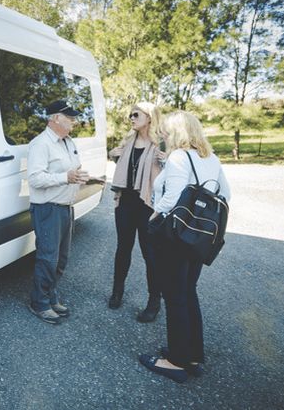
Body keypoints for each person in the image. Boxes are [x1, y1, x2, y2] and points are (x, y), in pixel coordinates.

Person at [139, 110, 230, 383]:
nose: (163, 134)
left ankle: (176, 361)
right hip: (198, 236)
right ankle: (193, 356)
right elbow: (225, 194)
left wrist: (153, 218)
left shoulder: (179, 156)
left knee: (174, 295)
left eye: (166, 130)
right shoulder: (210, 157)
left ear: (177, 132)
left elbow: (173, 196)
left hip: (174, 235)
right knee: (188, 292)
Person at [26, 100, 89, 325]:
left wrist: (80, 177)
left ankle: (51, 296)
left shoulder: (68, 142)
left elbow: (73, 170)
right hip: (48, 209)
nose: (74, 121)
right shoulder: (40, 144)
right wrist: (65, 177)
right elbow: (34, 179)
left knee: (61, 259)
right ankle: (39, 303)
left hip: (65, 207)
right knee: (48, 259)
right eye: (69, 117)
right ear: (55, 119)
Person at [107, 102, 166, 322]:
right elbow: (124, 166)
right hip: (125, 202)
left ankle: (154, 301)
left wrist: (167, 161)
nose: (131, 118)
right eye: (130, 115)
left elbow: (172, 173)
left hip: (148, 205)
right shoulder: (127, 141)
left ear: (149, 117)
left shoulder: (162, 143)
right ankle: (117, 292)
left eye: (136, 114)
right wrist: (114, 155)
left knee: (150, 254)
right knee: (123, 249)